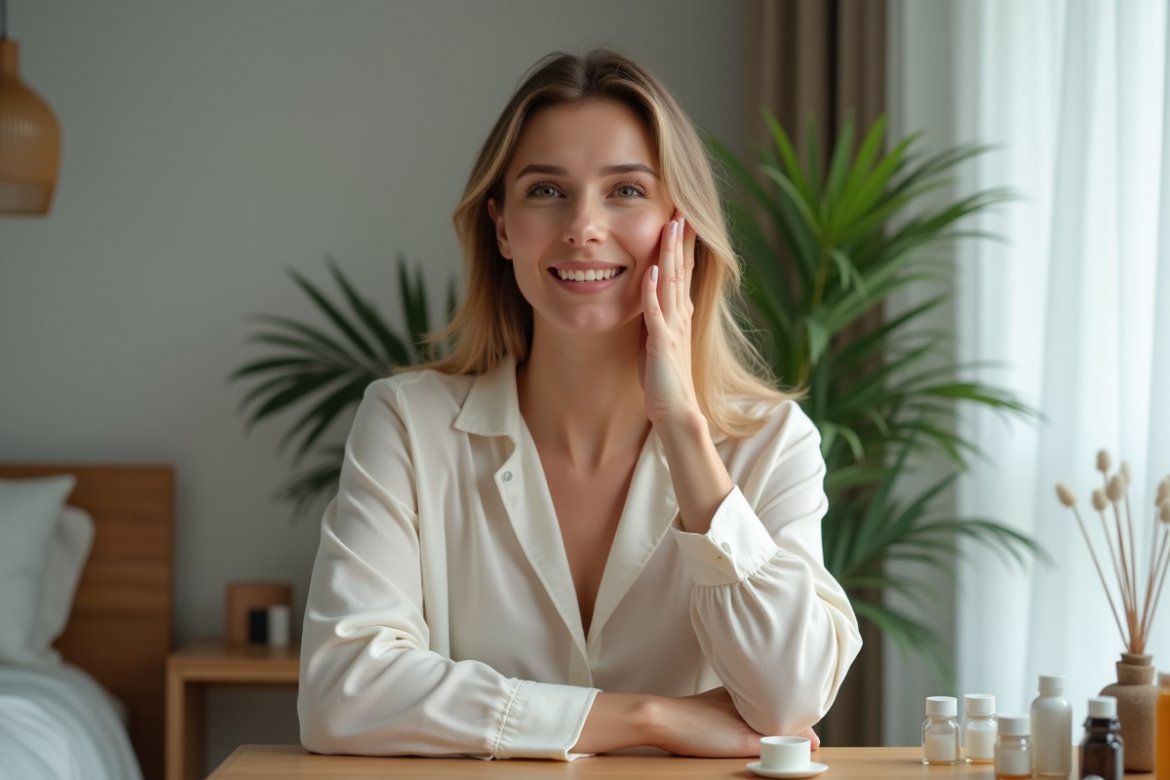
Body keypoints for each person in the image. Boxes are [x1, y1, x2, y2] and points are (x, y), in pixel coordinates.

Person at [297, 48, 862, 761]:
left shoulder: (772, 443)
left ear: (678, 225)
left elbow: (789, 700)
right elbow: (341, 693)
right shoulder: (407, 424)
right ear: (501, 227)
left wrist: (684, 429)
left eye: (626, 191)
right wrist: (651, 718)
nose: (583, 227)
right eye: (545, 191)